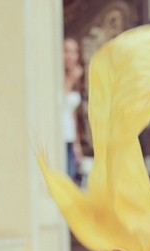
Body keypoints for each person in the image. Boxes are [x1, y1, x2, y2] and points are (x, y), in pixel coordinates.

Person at [63, 37, 83, 183]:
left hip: (69, 138)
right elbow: (58, 104)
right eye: (66, 51)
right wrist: (70, 80)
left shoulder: (74, 79)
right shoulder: (57, 77)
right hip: (58, 139)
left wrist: (77, 144)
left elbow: (72, 112)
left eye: (74, 52)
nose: (70, 56)